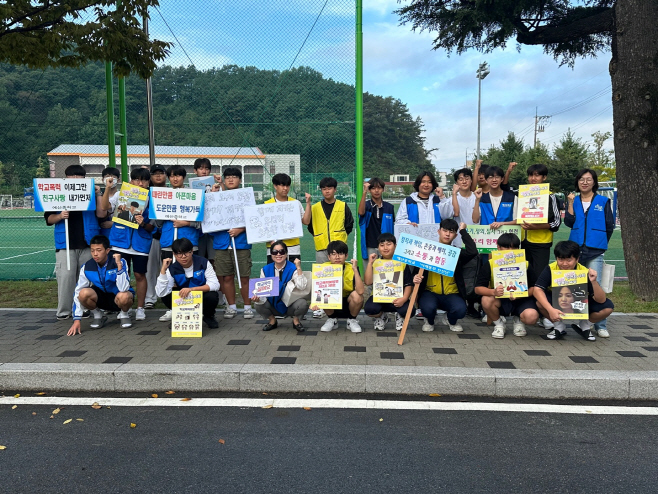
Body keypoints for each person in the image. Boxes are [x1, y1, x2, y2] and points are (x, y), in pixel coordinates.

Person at [46, 165, 103, 320]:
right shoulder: (57, 193)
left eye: (79, 176)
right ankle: (64, 311)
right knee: (66, 277)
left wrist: (98, 193)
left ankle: (83, 309)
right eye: (72, 176)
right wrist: (60, 216)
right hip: (65, 244)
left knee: (85, 278)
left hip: (87, 243)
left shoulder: (91, 192)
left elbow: (101, 213)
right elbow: (49, 218)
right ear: (66, 178)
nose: (76, 179)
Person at [564, 168, 615, 338]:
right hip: (575, 249)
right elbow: (569, 222)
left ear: (594, 182)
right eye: (581, 179)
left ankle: (600, 325)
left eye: (588, 179)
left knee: (596, 285)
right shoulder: (574, 200)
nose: (584, 182)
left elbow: (609, 225)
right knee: (574, 286)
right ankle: (577, 320)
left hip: (595, 250)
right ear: (577, 182)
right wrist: (570, 203)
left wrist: (600, 242)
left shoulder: (603, 201)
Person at [101, 167, 154, 323]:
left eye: (144, 180)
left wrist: (143, 223)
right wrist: (107, 189)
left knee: (139, 275)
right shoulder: (120, 194)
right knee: (119, 274)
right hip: (119, 242)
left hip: (140, 243)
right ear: (131, 181)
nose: (140, 183)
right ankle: (123, 308)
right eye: (136, 179)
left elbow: (153, 227)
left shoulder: (153, 198)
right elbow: (105, 208)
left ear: (148, 182)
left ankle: (140, 308)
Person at [533, 240, 614, 341]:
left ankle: (585, 325)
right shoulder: (551, 268)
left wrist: (593, 281)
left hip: (578, 302)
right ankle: (558, 326)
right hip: (557, 301)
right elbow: (537, 289)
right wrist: (550, 310)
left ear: (577, 259)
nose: (564, 264)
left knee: (608, 307)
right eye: (561, 259)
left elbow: (601, 300)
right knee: (540, 302)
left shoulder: (584, 271)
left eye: (569, 260)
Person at [413, 219, 478, 333]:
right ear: (439, 231)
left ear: (455, 235)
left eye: (452, 232)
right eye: (445, 230)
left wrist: (463, 231)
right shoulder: (428, 251)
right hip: (430, 292)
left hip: (452, 293)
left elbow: (472, 251)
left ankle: (450, 320)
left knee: (461, 310)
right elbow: (415, 270)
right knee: (428, 309)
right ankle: (430, 320)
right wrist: (415, 277)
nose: (448, 234)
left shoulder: (456, 253)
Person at [474, 233, 540, 339]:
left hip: (521, 300)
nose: (510, 251)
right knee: (486, 300)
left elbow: (535, 288)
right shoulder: (490, 264)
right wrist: (493, 292)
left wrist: (521, 294)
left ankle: (518, 320)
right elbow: (477, 289)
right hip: (500, 299)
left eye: (514, 247)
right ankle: (499, 324)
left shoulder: (525, 264)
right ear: (498, 248)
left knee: (531, 317)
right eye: (507, 247)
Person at [66, 235, 135, 335]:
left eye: (99, 250)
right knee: (83, 293)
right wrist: (77, 319)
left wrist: (119, 266)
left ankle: (124, 314)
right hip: (101, 298)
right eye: (92, 250)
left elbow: (123, 288)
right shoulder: (87, 267)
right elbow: (77, 292)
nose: (95, 254)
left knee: (124, 295)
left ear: (107, 250)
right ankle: (98, 315)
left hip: (118, 297)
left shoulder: (120, 262)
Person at [308, 177, 355, 318]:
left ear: (335, 189)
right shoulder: (315, 207)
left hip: (339, 249)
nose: (326, 191)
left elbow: (349, 225)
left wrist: (339, 240)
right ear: (321, 190)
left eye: (329, 188)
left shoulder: (342, 205)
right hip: (322, 248)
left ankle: (339, 304)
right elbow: (310, 226)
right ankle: (322, 306)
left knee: (340, 277)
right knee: (323, 279)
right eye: (324, 188)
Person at [210, 167, 253, 319]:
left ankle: (248, 307)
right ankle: (232, 306)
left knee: (244, 277)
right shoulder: (216, 197)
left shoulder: (246, 198)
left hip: (241, 244)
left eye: (234, 176)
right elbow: (209, 221)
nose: (231, 179)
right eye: (228, 177)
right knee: (226, 277)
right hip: (222, 244)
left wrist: (240, 230)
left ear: (240, 180)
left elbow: (254, 220)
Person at [156, 238, 220, 329]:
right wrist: (163, 270)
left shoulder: (203, 262)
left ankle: (208, 316)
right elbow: (161, 292)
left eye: (186, 252)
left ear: (192, 251)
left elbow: (215, 284)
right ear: (174, 254)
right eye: (179, 253)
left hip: (200, 294)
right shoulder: (172, 268)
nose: (183, 256)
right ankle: (180, 317)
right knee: (166, 295)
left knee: (212, 295)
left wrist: (191, 289)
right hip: (183, 297)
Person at [251, 241, 309, 332]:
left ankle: (296, 321)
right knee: (257, 304)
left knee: (303, 304)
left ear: (286, 254)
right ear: (271, 254)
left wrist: (298, 267)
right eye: (275, 252)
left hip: (290, 305)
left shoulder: (293, 268)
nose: (278, 254)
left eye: (281, 252)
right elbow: (262, 293)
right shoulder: (265, 270)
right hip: (272, 304)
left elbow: (301, 286)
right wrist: (258, 299)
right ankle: (272, 320)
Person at [364, 233, 414, 331]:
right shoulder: (376, 263)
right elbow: (368, 282)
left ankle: (399, 316)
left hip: (397, 298)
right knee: (370, 309)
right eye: (382, 245)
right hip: (379, 297)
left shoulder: (402, 262)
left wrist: (404, 299)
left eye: (389, 244)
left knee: (409, 310)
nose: (385, 248)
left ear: (395, 246)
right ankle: (381, 316)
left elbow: (408, 284)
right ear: (378, 247)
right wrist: (370, 263)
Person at [312, 240, 365, 333]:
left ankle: (351, 320)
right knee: (324, 293)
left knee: (357, 296)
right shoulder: (323, 268)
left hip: (348, 302)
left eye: (340, 254)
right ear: (329, 257)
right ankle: (332, 319)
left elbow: (360, 291)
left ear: (346, 256)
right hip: (331, 302)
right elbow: (318, 290)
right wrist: (315, 303)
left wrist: (355, 269)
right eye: (333, 254)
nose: (337, 257)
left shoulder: (351, 268)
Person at [264, 173, 312, 263]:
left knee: (293, 274)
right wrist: (272, 242)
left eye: (287, 185)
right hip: (274, 247)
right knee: (274, 276)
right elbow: (264, 228)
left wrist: (308, 203)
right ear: (275, 186)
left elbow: (306, 221)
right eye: (282, 185)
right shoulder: (267, 204)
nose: (285, 188)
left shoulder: (295, 203)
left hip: (293, 247)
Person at [159, 165, 201, 259]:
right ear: (168, 178)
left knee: (190, 272)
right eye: (172, 176)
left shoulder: (194, 194)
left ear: (184, 177)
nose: (175, 179)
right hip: (168, 242)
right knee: (169, 271)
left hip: (189, 241)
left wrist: (185, 223)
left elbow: (200, 221)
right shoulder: (163, 195)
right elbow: (157, 223)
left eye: (178, 176)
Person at [144, 163, 167, 309]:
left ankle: (167, 297)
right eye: (154, 173)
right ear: (150, 176)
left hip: (168, 236)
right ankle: (150, 298)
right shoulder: (144, 193)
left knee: (168, 269)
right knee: (150, 269)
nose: (158, 175)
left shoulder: (172, 192)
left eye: (161, 172)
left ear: (166, 175)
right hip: (150, 235)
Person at [358, 177, 395, 259]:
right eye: (373, 188)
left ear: (383, 189)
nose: (376, 190)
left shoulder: (389, 207)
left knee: (386, 270)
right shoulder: (366, 206)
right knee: (369, 270)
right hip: (370, 246)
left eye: (379, 188)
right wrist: (364, 192)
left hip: (386, 247)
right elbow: (361, 212)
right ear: (369, 190)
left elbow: (394, 225)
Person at [193, 158, 216, 264]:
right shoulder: (190, 189)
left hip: (212, 230)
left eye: (207, 168)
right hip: (197, 230)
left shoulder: (216, 188)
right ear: (195, 171)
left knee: (213, 260)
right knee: (199, 259)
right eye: (201, 168)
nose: (204, 171)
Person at [98, 167, 121, 238]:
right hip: (102, 231)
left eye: (113, 177)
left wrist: (113, 223)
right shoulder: (98, 196)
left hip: (118, 232)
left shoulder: (121, 195)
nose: (110, 179)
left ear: (118, 180)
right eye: (107, 177)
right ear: (102, 180)